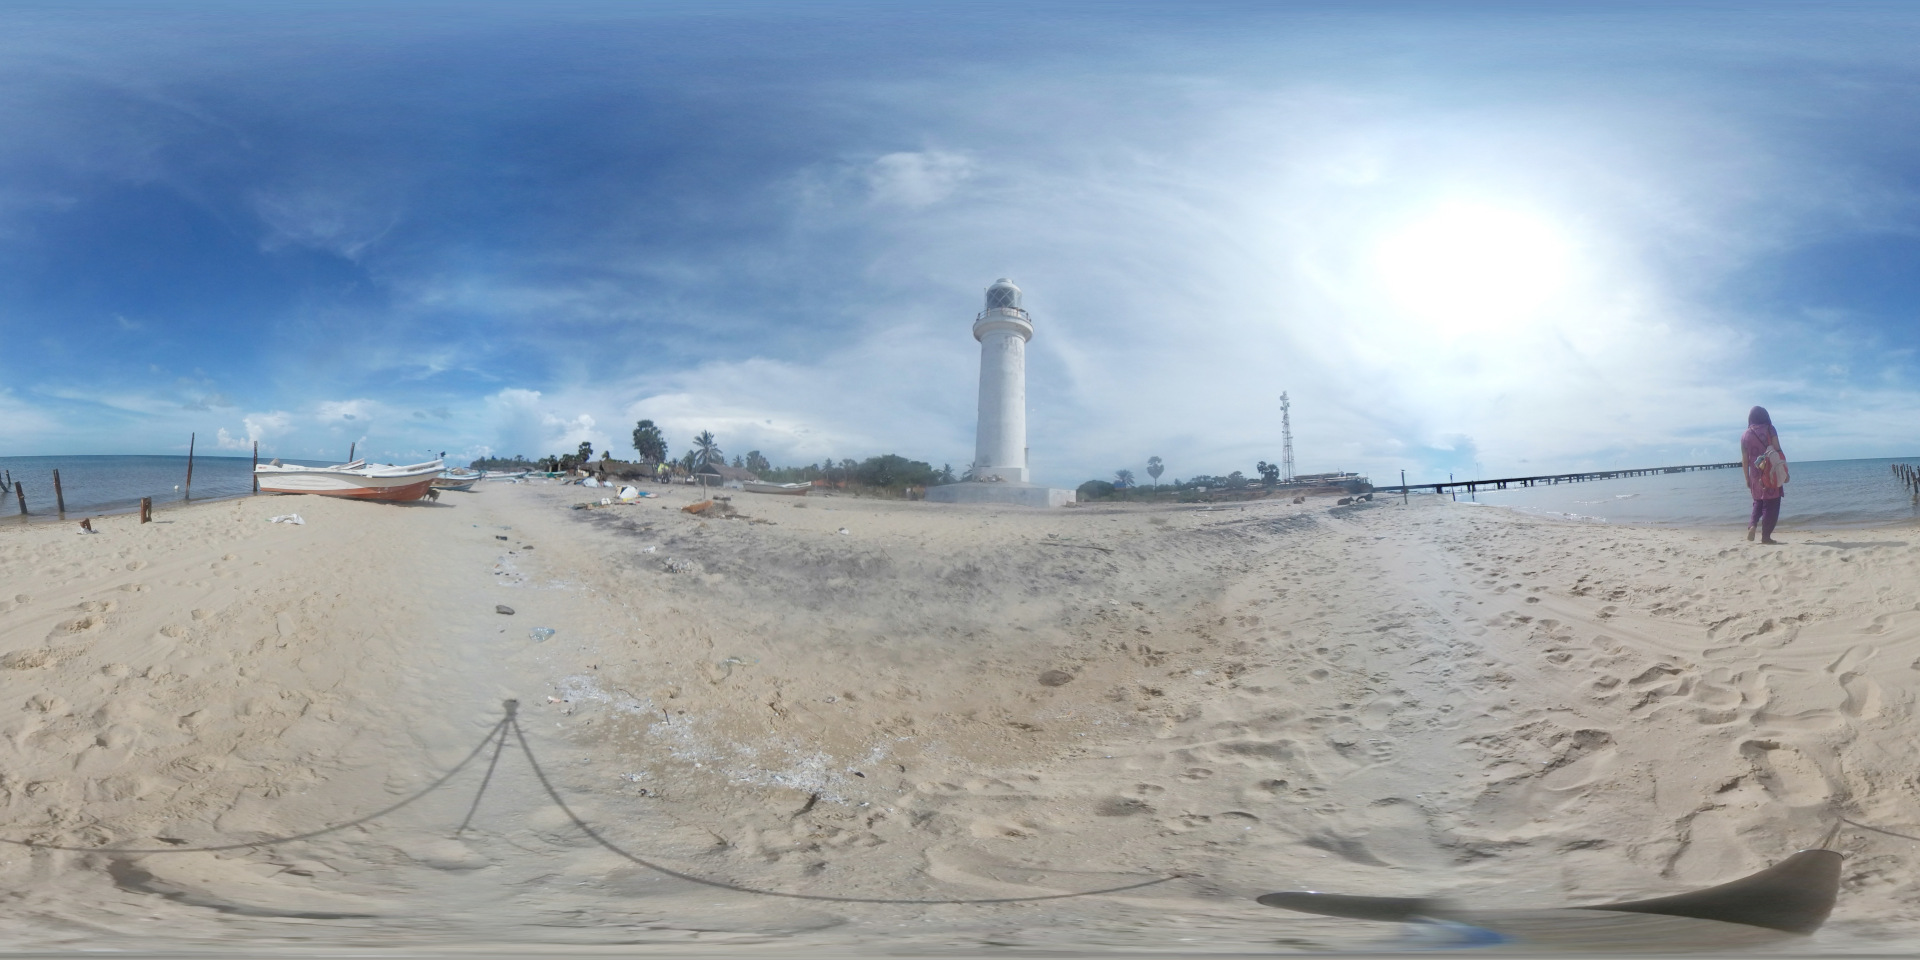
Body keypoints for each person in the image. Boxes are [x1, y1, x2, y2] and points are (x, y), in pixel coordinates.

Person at [1741, 406, 1788, 544]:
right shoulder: (1770, 429)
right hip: (1770, 471)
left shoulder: (1745, 435)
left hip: (1755, 474)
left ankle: (1753, 525)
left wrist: (1747, 478)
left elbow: (1744, 460)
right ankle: (1766, 537)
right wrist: (1784, 470)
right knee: (1772, 504)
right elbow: (1777, 450)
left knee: (1758, 502)